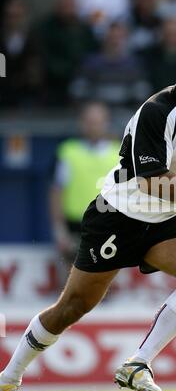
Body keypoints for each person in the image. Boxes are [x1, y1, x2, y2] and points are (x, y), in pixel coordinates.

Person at [0, 36, 176, 391]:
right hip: (118, 215)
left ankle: (138, 362)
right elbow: (151, 180)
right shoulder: (158, 110)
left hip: (167, 218)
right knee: (73, 306)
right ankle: (7, 381)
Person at [50, 101, 120, 275]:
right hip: (75, 224)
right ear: (81, 123)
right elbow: (57, 191)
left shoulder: (119, 153)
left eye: (98, 122)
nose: (94, 127)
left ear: (106, 123)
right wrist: (59, 229)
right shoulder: (67, 151)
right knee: (72, 281)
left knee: (102, 282)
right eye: (89, 122)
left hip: (107, 224)